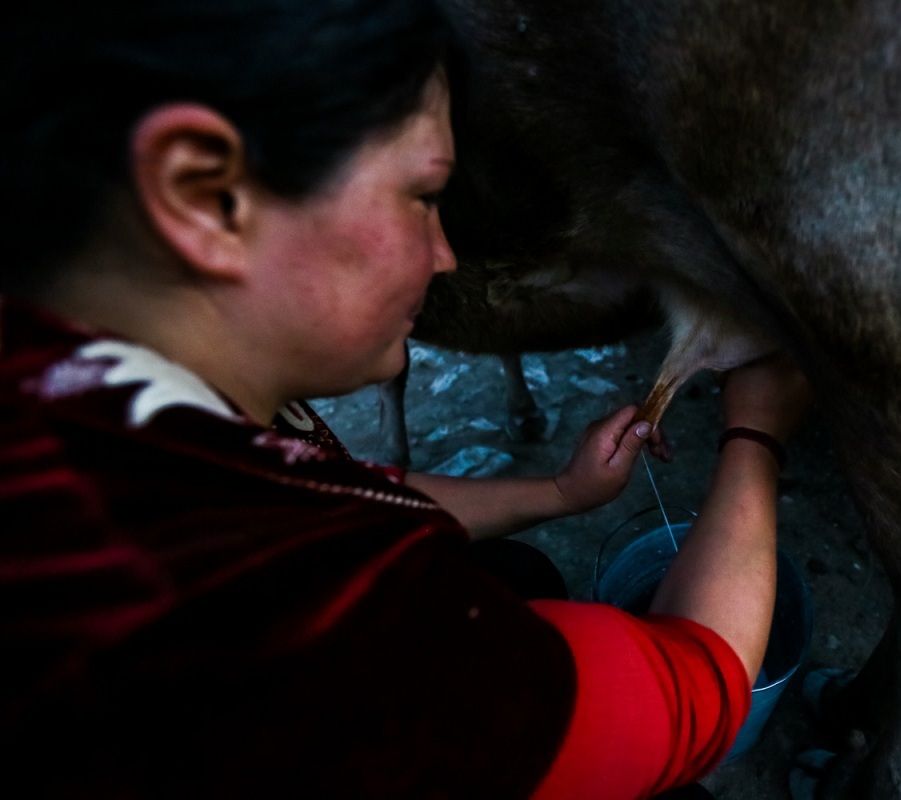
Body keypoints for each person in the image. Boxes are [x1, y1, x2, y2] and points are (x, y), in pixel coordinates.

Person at [0, 1, 812, 797]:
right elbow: (694, 698)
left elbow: (335, 490)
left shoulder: (78, 393)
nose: (446, 255)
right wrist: (757, 431)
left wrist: (558, 493)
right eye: (422, 197)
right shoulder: (291, 638)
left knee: (514, 567)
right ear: (208, 194)